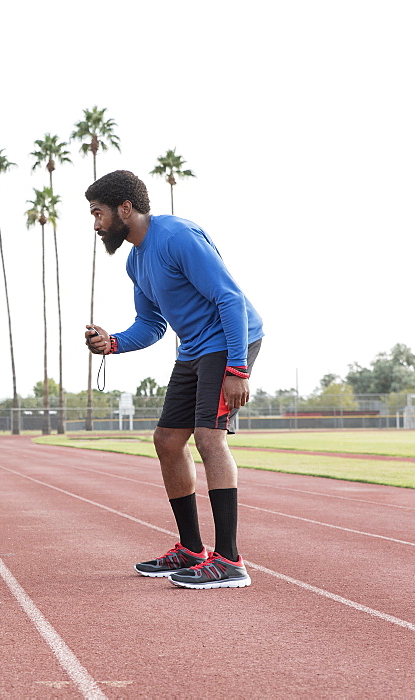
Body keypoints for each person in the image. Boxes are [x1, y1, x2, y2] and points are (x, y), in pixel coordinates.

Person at [84, 170, 263, 589]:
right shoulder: (135, 260)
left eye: (98, 214)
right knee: (167, 441)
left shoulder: (177, 236)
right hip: (194, 350)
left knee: (209, 438)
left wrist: (237, 368)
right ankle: (191, 548)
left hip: (228, 341)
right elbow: (151, 324)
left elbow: (229, 297)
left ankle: (230, 560)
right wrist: (113, 344)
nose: (95, 225)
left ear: (125, 208)